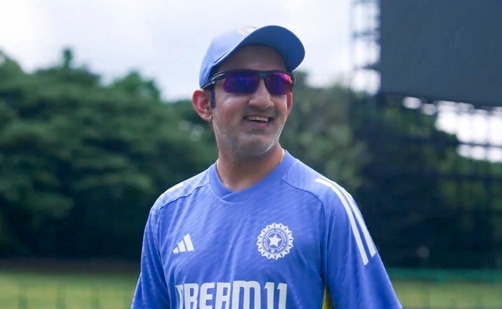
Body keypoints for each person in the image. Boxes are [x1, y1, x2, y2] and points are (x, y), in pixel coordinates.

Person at [131, 24, 402, 309]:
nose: (263, 99)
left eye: (278, 83)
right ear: (204, 104)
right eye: (240, 82)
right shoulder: (169, 212)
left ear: (289, 101)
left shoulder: (326, 205)